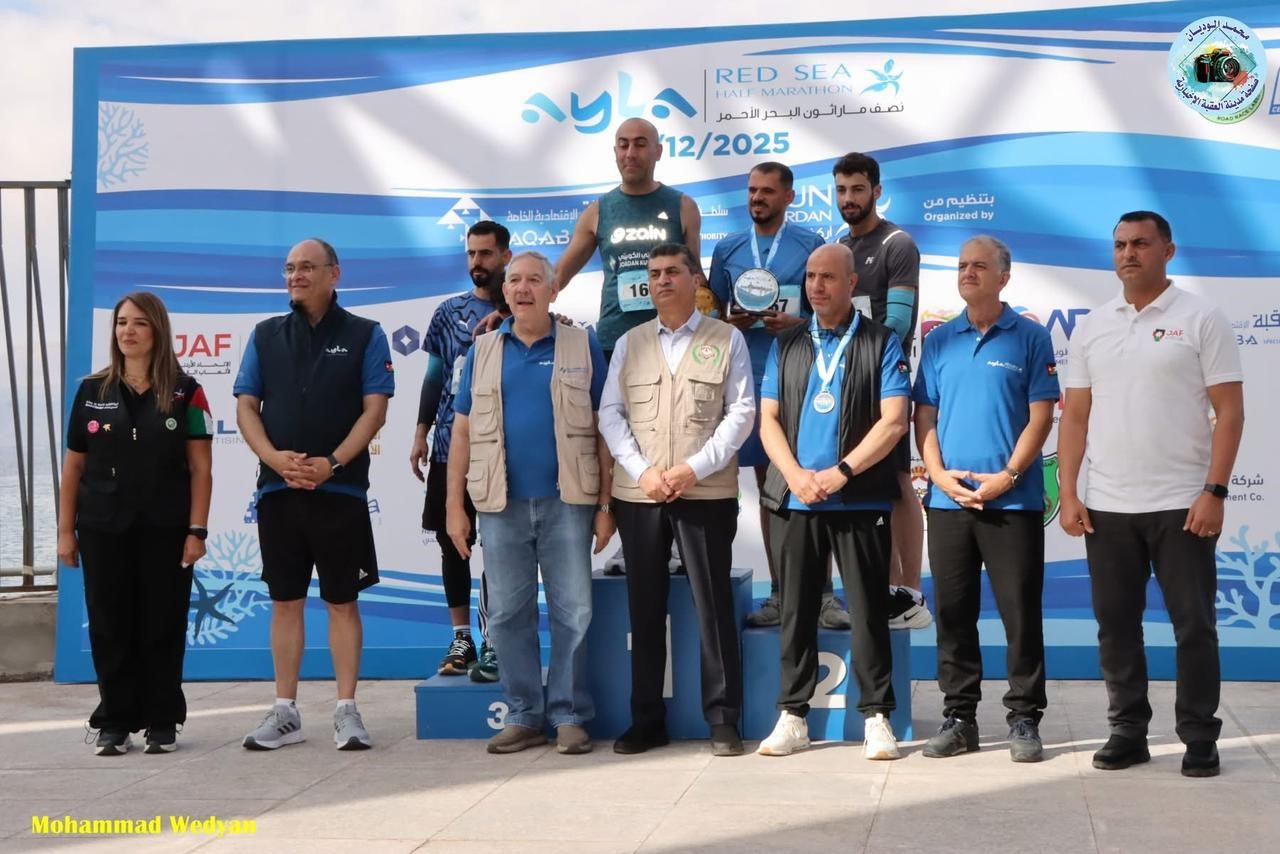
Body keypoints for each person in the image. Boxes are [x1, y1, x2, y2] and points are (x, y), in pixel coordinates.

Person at [1059, 211, 1244, 778]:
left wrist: (1214, 490)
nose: (1128, 254)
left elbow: (1230, 411)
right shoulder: (1093, 325)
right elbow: (1075, 417)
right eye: (1120, 244)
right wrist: (1069, 491)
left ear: (1168, 250)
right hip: (1108, 506)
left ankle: (1199, 736)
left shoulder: (1202, 317)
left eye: (1140, 243)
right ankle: (1128, 732)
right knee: (1117, 627)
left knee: (1194, 627)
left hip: (1182, 503)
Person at [446, 251, 614, 755]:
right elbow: (461, 433)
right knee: (505, 616)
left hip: (568, 503)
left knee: (574, 613)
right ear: (505, 291)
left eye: (534, 280)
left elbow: (605, 429)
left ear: (553, 289)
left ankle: (568, 715)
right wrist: (454, 506)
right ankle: (522, 714)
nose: (523, 288)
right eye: (514, 280)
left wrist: (606, 506)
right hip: (500, 506)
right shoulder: (482, 350)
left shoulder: (582, 344)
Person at [234, 238, 395, 751]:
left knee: (342, 602)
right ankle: (284, 712)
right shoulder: (265, 335)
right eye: (289, 268)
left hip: (340, 491)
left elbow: (375, 410)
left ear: (333, 274)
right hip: (278, 491)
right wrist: (274, 459)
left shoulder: (366, 334)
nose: (296, 276)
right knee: (285, 601)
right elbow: (245, 406)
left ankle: (347, 711)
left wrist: (333, 463)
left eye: (306, 267)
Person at [599, 242, 755, 757]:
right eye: (654, 273)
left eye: (672, 271)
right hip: (640, 495)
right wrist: (642, 472)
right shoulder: (631, 342)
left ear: (695, 280)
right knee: (644, 611)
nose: (662, 280)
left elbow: (741, 413)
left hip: (704, 492)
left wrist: (693, 468)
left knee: (712, 608)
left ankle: (723, 720)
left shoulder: (727, 338)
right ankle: (646, 720)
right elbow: (610, 414)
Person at [756, 243, 908, 761]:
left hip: (858, 499)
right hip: (797, 498)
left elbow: (894, 422)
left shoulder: (881, 341)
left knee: (868, 612)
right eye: (811, 277)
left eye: (828, 277)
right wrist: (796, 476)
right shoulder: (787, 343)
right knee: (796, 611)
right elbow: (768, 420)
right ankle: (792, 716)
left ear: (851, 284)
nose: (816, 287)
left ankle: (877, 718)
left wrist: (841, 473)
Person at [912, 237, 1058, 762]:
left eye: (979, 265)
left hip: (1013, 503)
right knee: (954, 615)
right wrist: (937, 476)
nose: (967, 273)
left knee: (1020, 615)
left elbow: (1041, 416)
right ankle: (960, 719)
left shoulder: (1031, 337)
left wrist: (1008, 476)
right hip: (948, 503)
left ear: (1003, 277)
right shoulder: (938, 341)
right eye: (961, 266)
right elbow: (924, 417)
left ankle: (1024, 718)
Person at [57, 291, 214, 756]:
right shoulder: (92, 391)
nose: (128, 331)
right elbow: (73, 467)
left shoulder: (187, 391)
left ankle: (162, 720)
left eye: (139, 323)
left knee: (162, 623)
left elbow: (201, 468)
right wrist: (65, 531)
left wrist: (197, 531)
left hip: (166, 528)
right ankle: (115, 720)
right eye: (122, 322)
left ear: (157, 331)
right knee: (109, 624)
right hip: (102, 527)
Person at [555, 117, 702, 575]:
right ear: (615, 152)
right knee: (618, 443)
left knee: (673, 435)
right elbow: (558, 275)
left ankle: (677, 539)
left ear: (658, 151)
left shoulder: (681, 206)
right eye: (623, 144)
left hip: (673, 342)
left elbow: (697, 278)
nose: (631, 152)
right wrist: (516, 308)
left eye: (641, 144)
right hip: (615, 343)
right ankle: (628, 538)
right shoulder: (599, 211)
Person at [707, 162, 848, 631]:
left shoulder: (811, 244)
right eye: (752, 190)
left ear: (788, 197)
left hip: (801, 377)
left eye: (767, 191)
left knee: (808, 481)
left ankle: (823, 595)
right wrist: (731, 320)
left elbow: (830, 311)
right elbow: (713, 316)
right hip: (746, 379)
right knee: (770, 488)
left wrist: (798, 324)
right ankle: (781, 592)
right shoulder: (727, 248)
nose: (757, 198)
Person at [834, 152, 931, 631]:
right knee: (863, 485)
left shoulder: (898, 244)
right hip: (842, 386)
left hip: (884, 383)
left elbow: (897, 323)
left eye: (857, 189)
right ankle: (885, 589)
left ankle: (910, 591)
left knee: (896, 482)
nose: (848, 199)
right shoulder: (838, 247)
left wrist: (849, 349)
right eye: (841, 190)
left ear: (876, 190)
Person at [409, 220, 510, 682]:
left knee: (502, 546)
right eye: (471, 254)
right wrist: (420, 432)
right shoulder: (448, 312)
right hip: (452, 444)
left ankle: (496, 639)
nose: (477, 262)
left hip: (503, 448)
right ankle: (461, 637)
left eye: (485, 253)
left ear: (505, 256)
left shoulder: (523, 308)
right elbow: (434, 377)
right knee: (454, 544)